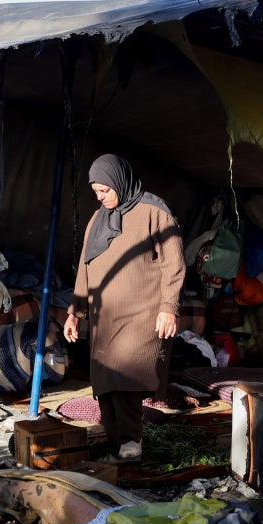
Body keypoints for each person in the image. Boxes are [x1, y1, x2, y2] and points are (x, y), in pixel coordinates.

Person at [63, 154, 185, 462]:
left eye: (105, 190)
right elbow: (85, 269)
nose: (101, 197)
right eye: (96, 192)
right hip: (106, 319)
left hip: (142, 313)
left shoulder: (154, 213)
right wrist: (75, 313)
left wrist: (168, 307)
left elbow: (174, 264)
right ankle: (116, 444)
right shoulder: (98, 219)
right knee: (105, 381)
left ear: (121, 180)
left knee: (127, 377)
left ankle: (131, 444)